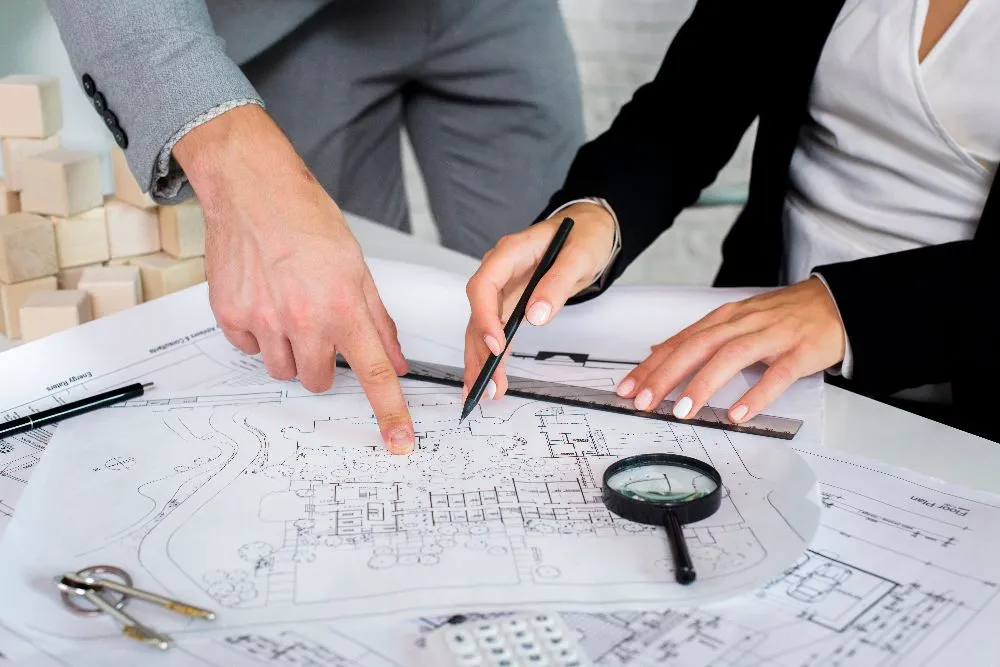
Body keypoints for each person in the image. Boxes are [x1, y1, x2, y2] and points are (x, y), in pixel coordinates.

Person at [43, 0, 584, 454]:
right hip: (287, 19)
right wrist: (228, 153)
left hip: (499, 13)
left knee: (550, 298)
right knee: (331, 324)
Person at [463, 0, 1000, 441]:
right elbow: (686, 109)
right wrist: (599, 213)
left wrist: (849, 311)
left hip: (961, 395)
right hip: (747, 357)